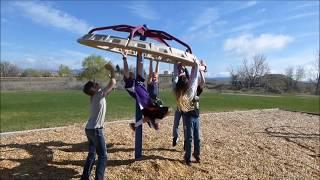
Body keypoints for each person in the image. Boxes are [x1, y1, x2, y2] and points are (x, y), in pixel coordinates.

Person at [81, 62, 116, 180]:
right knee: (103, 156)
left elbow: (110, 88)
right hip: (96, 130)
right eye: (95, 84)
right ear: (93, 89)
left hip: (89, 130)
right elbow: (113, 83)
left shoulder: (95, 96)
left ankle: (85, 177)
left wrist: (110, 78)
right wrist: (112, 71)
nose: (97, 84)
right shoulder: (99, 94)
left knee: (92, 154)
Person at [121, 52, 169, 130]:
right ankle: (151, 122)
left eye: (132, 73)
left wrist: (140, 55)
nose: (132, 73)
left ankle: (145, 123)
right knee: (159, 113)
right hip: (145, 103)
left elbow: (140, 67)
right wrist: (125, 58)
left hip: (148, 103)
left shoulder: (139, 81)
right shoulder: (129, 84)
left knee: (154, 115)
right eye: (130, 74)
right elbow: (127, 71)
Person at [173, 59, 206, 166]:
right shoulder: (189, 92)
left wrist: (200, 69)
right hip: (189, 117)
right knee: (190, 138)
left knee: (197, 138)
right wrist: (197, 64)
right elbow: (193, 77)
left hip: (196, 116)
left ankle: (196, 154)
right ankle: (187, 157)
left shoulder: (188, 91)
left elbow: (197, 80)